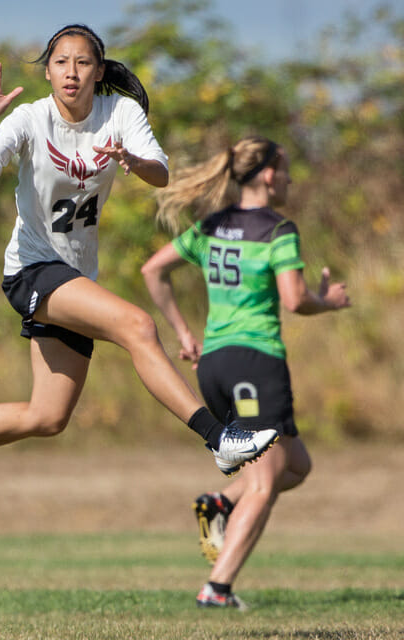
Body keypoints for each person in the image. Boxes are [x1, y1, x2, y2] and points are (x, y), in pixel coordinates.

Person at [0, 24, 278, 518]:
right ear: (47, 71)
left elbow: (160, 172)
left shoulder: (121, 113)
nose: (72, 71)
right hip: (31, 270)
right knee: (138, 325)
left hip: (74, 275)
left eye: (83, 62)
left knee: (46, 417)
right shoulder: (29, 118)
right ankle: (219, 438)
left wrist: (130, 158)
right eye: (61, 62)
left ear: (98, 70)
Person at [141, 135, 350, 609]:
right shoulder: (278, 230)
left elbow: (153, 270)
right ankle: (217, 588)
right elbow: (295, 300)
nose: (293, 178)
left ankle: (220, 503)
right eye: (289, 169)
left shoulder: (214, 225)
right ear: (271, 175)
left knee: (295, 466)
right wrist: (331, 302)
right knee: (263, 483)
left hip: (214, 362)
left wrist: (184, 332)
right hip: (255, 361)